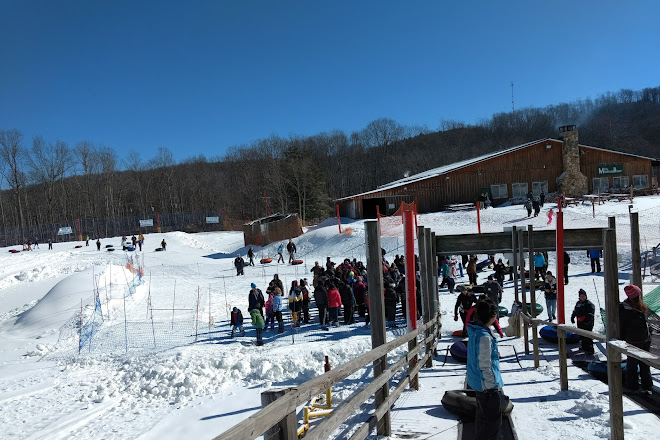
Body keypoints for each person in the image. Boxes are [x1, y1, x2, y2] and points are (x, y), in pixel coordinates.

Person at [467, 300, 505, 440]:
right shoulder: (484, 336)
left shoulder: (476, 331)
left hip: (479, 382)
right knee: (492, 423)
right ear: (492, 316)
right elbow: (484, 364)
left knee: (483, 419)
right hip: (487, 386)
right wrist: (491, 387)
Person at [619, 284, 652, 394]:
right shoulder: (625, 309)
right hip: (633, 340)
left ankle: (647, 386)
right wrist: (623, 338)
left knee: (645, 364)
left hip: (645, 339)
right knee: (632, 364)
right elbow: (622, 326)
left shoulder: (639, 306)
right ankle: (632, 387)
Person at [571, 289, 595, 354]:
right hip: (580, 322)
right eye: (581, 296)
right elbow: (575, 311)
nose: (582, 297)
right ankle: (584, 347)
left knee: (588, 336)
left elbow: (591, 313)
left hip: (587, 323)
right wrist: (572, 317)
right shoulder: (578, 303)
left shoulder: (589, 304)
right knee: (581, 335)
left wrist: (587, 321)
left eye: (583, 296)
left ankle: (590, 349)